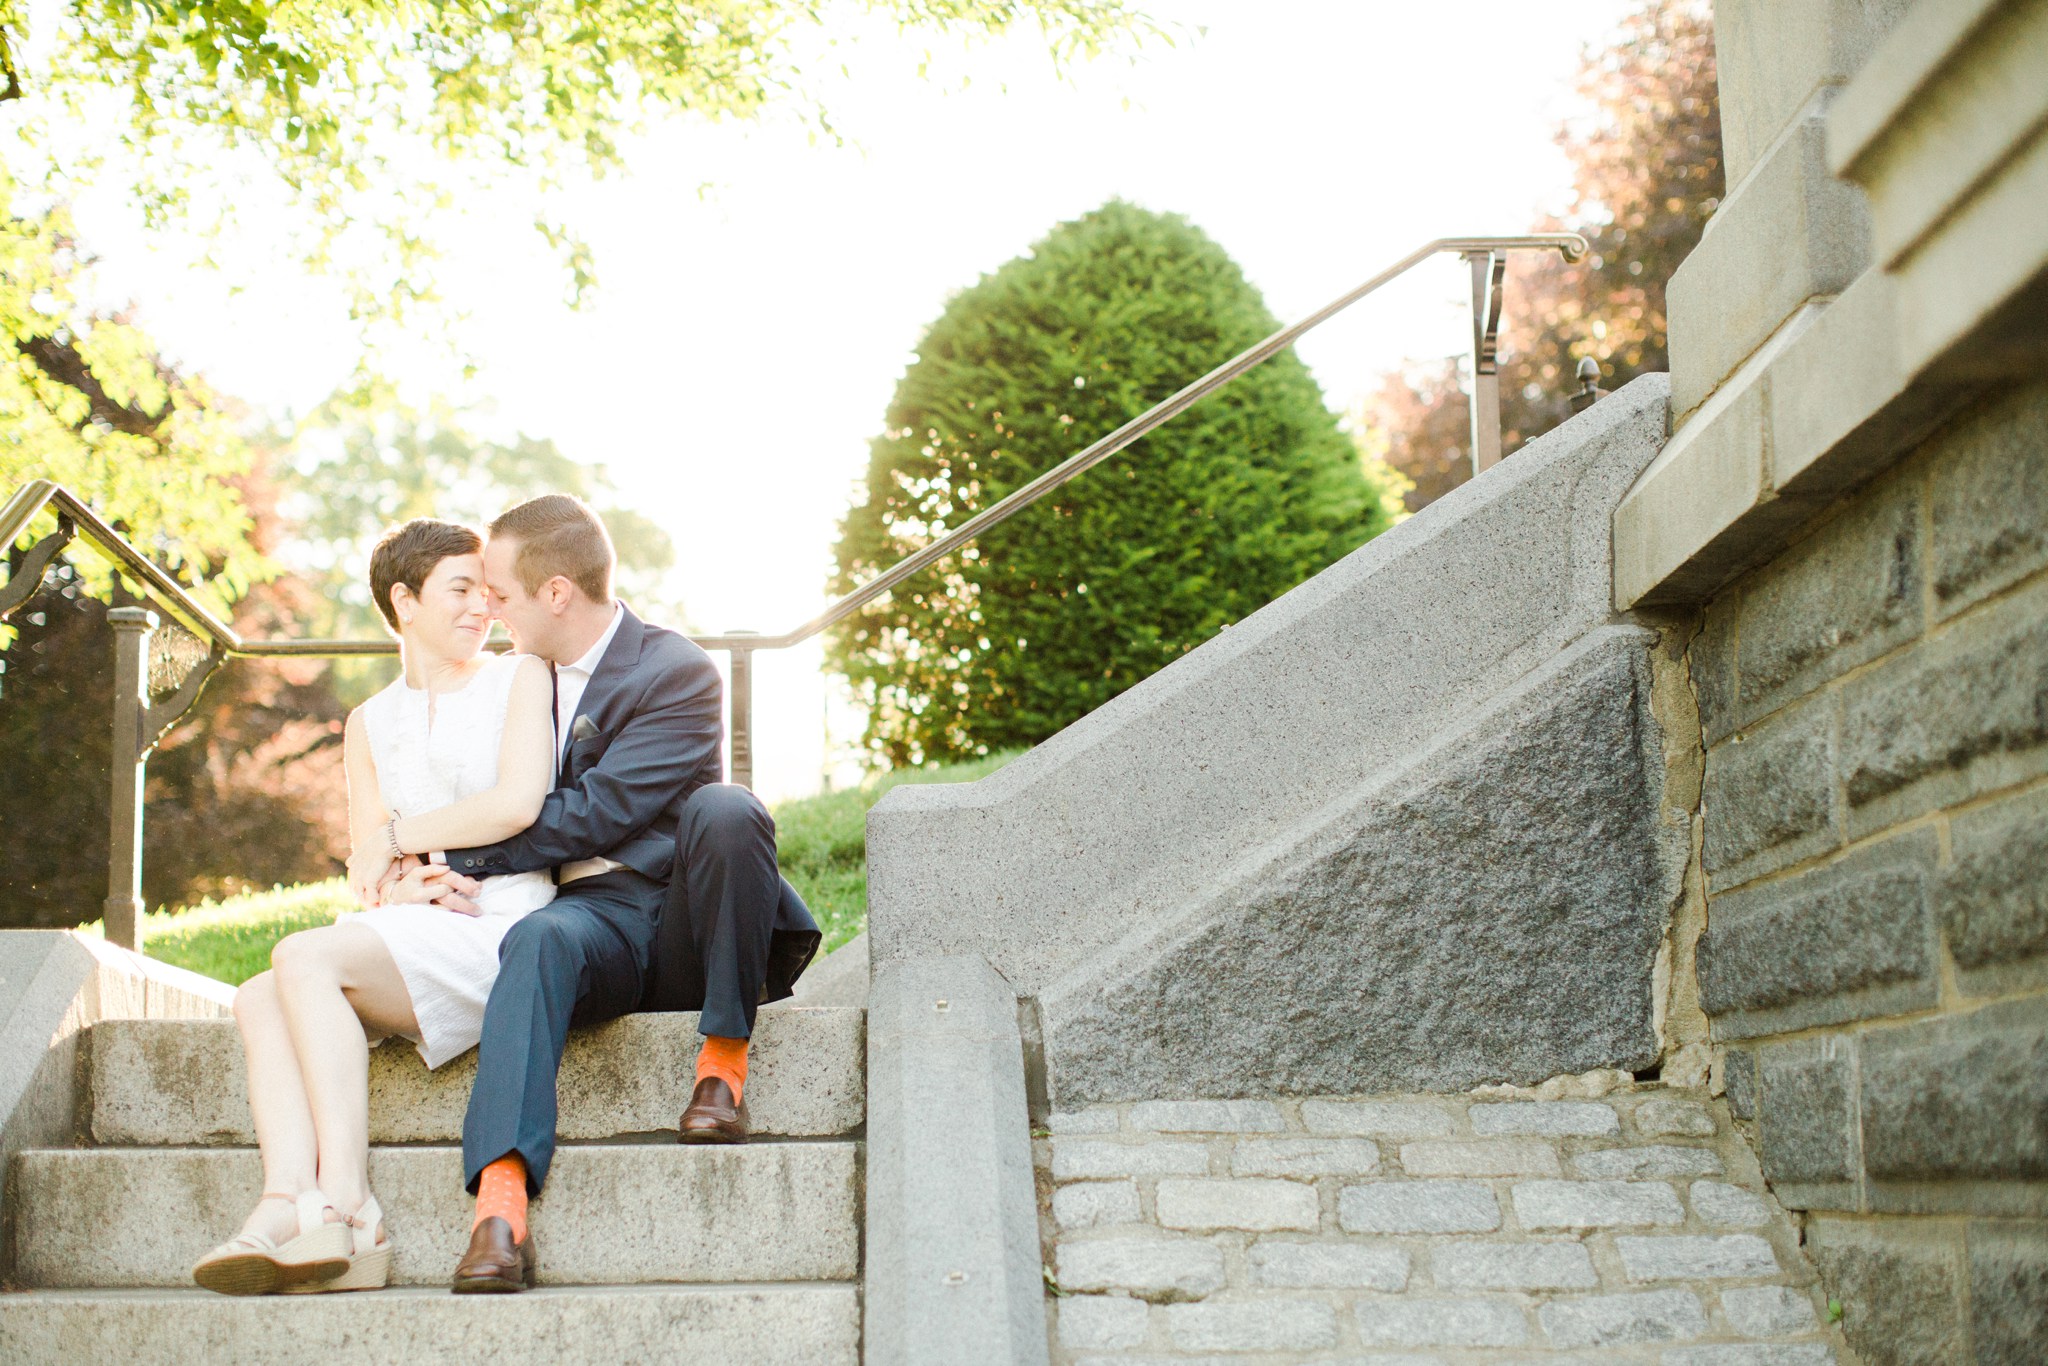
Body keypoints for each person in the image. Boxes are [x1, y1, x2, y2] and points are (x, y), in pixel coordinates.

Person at [373, 494, 820, 1293]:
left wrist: (443, 847)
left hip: (688, 919)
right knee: (537, 941)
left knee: (727, 808)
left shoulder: (673, 667)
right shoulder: (514, 682)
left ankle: (721, 1067)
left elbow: (600, 811)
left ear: (555, 594)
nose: (488, 608)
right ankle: (500, 1208)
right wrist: (420, 874)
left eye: (500, 594)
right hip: (591, 923)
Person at [192, 519, 557, 1295]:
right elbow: (370, 871)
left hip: (503, 932)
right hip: (414, 929)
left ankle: (353, 1207)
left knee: (299, 955)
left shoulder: (518, 678)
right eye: (460, 589)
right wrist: (398, 881)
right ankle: (288, 1200)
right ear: (405, 598)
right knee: (258, 996)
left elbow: (517, 803)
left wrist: (403, 839)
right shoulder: (369, 721)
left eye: (486, 592)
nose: (481, 607)